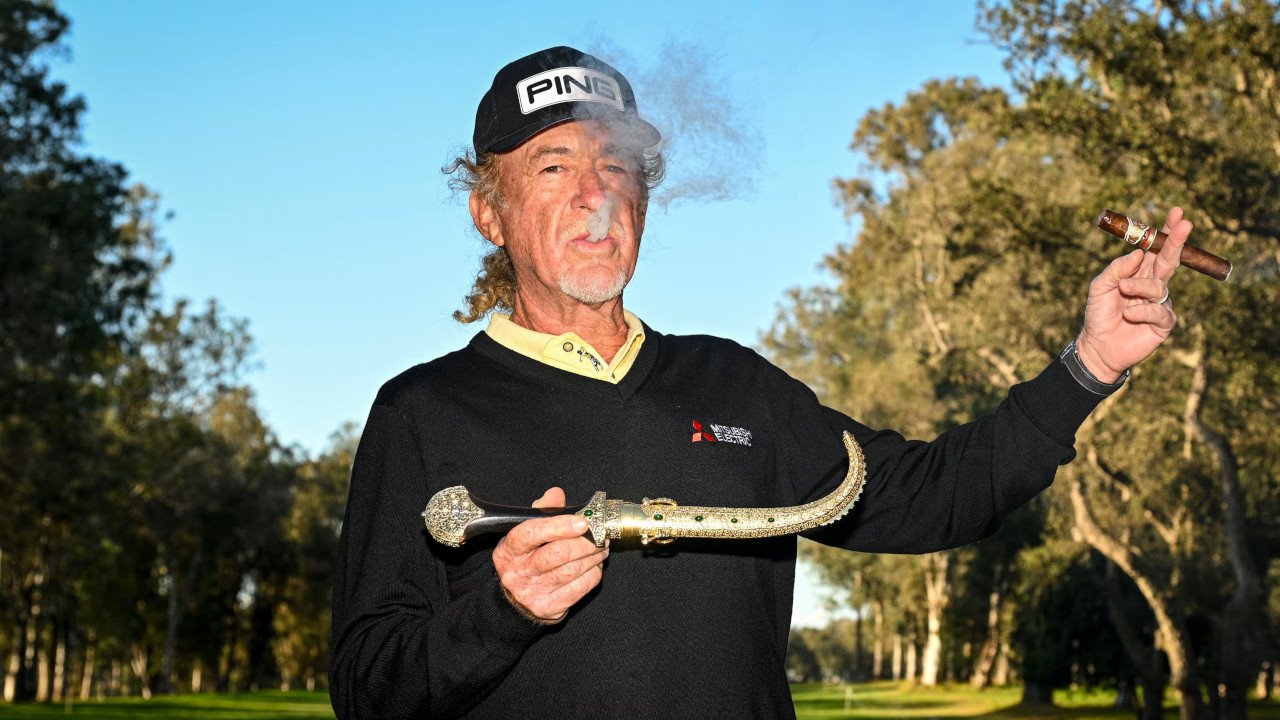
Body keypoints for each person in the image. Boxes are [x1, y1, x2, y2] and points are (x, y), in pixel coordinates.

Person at [328, 46, 1187, 720]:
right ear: (489, 212)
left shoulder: (735, 385)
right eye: (552, 167)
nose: (595, 194)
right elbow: (367, 690)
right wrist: (502, 610)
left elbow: (937, 497)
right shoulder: (422, 413)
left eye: (616, 166)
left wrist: (1089, 364)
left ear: (644, 200)